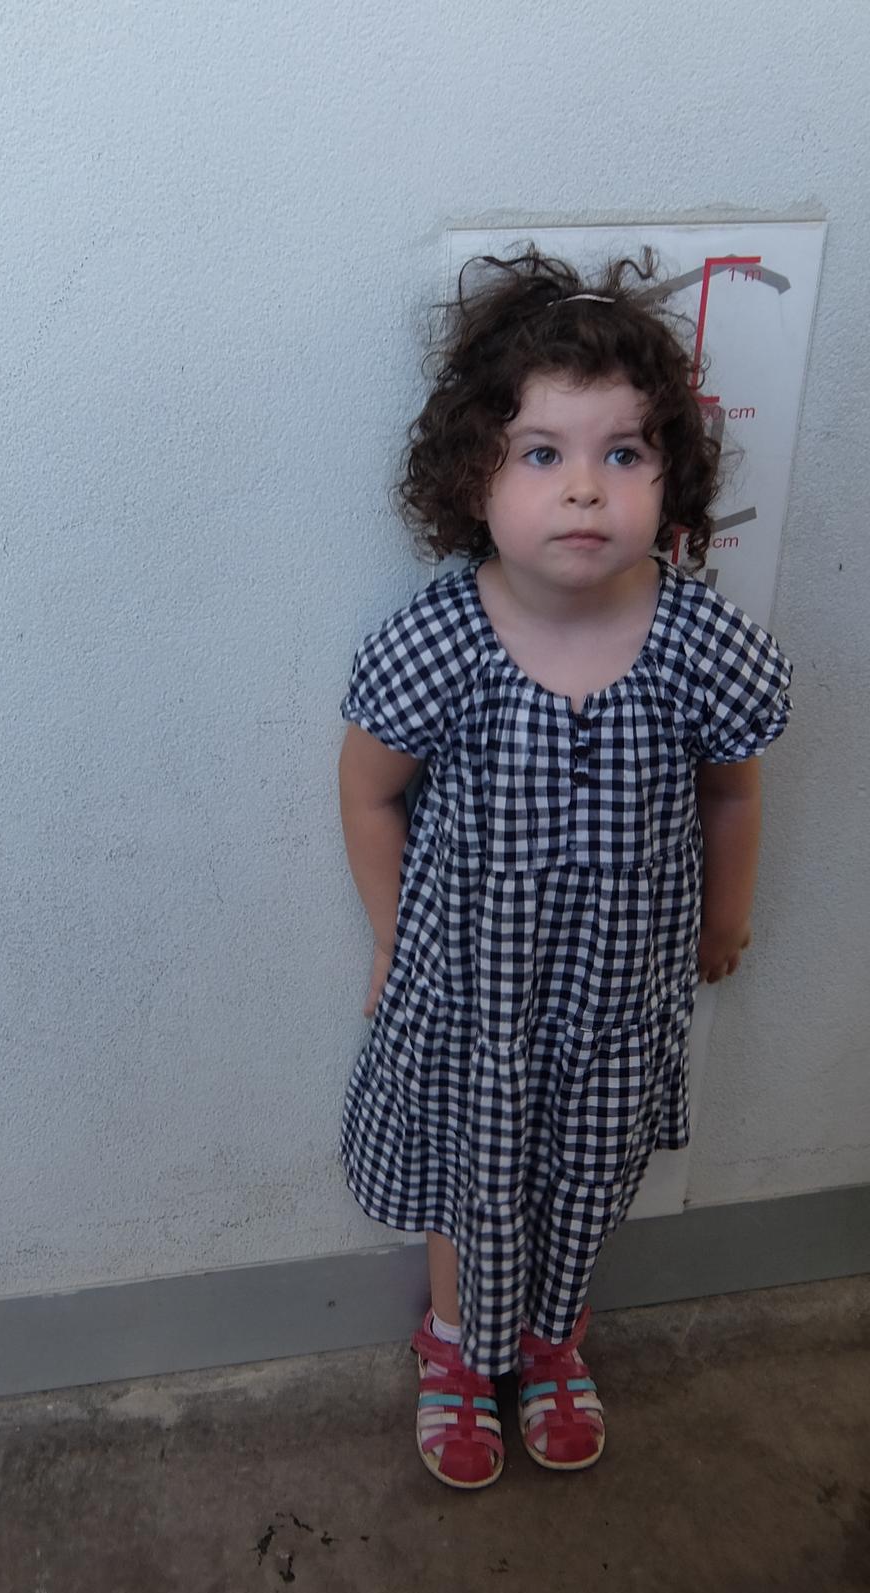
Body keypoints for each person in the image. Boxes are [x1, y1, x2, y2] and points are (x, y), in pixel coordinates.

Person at [337, 246, 793, 1488]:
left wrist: (727, 919)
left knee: (587, 1178)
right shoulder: (442, 640)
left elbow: (733, 788)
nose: (585, 488)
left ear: (671, 472)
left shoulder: (699, 639)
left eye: (623, 453)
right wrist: (393, 938)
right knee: (472, 1181)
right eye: (543, 453)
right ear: (473, 475)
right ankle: (456, 1346)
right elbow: (370, 792)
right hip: (473, 1003)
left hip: (616, 1005)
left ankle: (550, 1341)